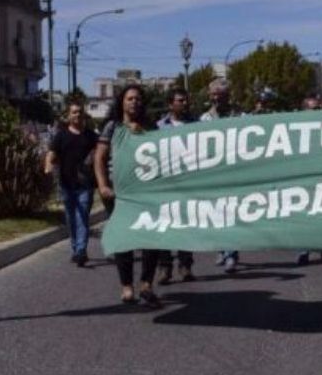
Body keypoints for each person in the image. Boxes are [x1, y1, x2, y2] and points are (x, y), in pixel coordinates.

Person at [94, 84, 161, 307]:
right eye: (130, 98)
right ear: (122, 102)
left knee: (151, 239)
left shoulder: (150, 128)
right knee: (125, 241)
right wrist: (103, 185)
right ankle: (127, 287)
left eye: (138, 98)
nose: (134, 102)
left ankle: (146, 285)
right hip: (118, 194)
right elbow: (99, 159)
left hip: (146, 193)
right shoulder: (112, 127)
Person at [44, 101, 97, 267]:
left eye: (80, 112)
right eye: (74, 112)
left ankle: (81, 250)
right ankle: (75, 249)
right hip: (66, 184)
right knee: (71, 219)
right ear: (68, 116)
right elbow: (51, 154)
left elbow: (101, 154)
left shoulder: (91, 136)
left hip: (85, 185)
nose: (77, 115)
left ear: (84, 115)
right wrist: (48, 167)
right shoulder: (61, 135)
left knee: (82, 217)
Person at [155, 88, 196, 284]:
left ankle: (185, 265)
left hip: (188, 183)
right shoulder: (159, 127)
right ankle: (165, 267)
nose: (184, 104)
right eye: (180, 100)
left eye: (186, 100)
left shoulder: (197, 126)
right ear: (171, 104)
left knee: (186, 226)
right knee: (165, 227)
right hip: (166, 184)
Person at [200, 79, 240, 273]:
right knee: (216, 214)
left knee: (231, 214)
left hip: (233, 173)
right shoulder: (205, 119)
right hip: (213, 174)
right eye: (214, 94)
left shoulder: (239, 117)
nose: (217, 98)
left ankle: (231, 254)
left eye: (221, 95)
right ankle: (221, 248)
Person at [295, 95, 322, 265]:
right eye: (313, 109)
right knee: (304, 214)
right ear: (304, 110)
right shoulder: (295, 129)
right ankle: (303, 250)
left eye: (318, 109)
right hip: (305, 176)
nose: (317, 112)